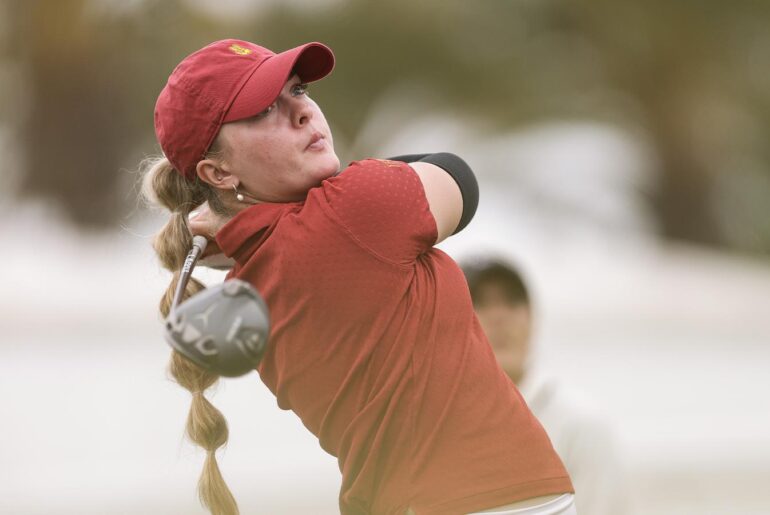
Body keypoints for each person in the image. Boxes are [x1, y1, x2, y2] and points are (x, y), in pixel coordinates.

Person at [142, 39, 575, 515]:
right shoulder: (352, 210)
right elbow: (458, 178)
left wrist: (232, 221)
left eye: (298, 90)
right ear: (218, 172)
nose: (302, 112)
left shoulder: (243, 283)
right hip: (495, 500)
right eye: (264, 110)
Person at [461, 258, 634, 515]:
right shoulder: (429, 427)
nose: (499, 317)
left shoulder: (580, 425)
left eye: (512, 302)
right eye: (480, 303)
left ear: (532, 319)